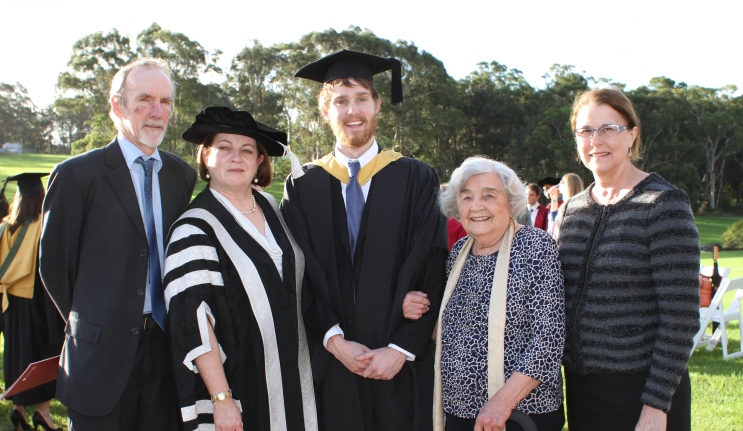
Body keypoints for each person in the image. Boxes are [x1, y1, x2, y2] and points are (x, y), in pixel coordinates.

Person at [281, 49, 448, 431]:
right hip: (334, 363)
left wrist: (402, 347)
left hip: (399, 364)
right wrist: (334, 342)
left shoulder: (415, 178)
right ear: (326, 112)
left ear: (377, 106)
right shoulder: (303, 186)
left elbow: (433, 263)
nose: (352, 111)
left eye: (361, 99)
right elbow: (298, 273)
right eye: (340, 101)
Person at [39, 58, 197, 430]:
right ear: (117, 106)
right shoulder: (77, 175)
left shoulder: (180, 175)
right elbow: (55, 267)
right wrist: (94, 322)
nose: (157, 112)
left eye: (166, 102)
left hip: (165, 353)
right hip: (99, 357)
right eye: (144, 100)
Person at [555, 88, 699, 431]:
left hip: (643, 392)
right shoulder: (572, 211)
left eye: (609, 129)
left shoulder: (664, 204)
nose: (596, 140)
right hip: (581, 389)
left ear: (632, 134)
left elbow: (680, 319)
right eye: (586, 131)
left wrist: (655, 406)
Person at [165, 106, 317, 431]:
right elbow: (193, 322)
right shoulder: (193, 228)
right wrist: (222, 399)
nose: (237, 157)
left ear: (260, 160)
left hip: (295, 378)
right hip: (241, 389)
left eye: (247, 150)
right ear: (206, 156)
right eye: (224, 148)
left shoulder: (272, 208)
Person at [404, 156, 565, 431]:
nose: (476, 206)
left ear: (510, 200)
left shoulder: (535, 247)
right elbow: (453, 328)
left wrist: (501, 404)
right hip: (460, 412)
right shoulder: (459, 253)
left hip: (517, 416)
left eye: (488, 195)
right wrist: (414, 309)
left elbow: (547, 340)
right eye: (466, 197)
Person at [0, 173, 64, 431]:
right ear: (41, 196)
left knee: (16, 354)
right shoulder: (42, 225)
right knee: (43, 357)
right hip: (37, 305)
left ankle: (17, 411)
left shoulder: (5, 226)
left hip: (10, 305)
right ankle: (43, 413)